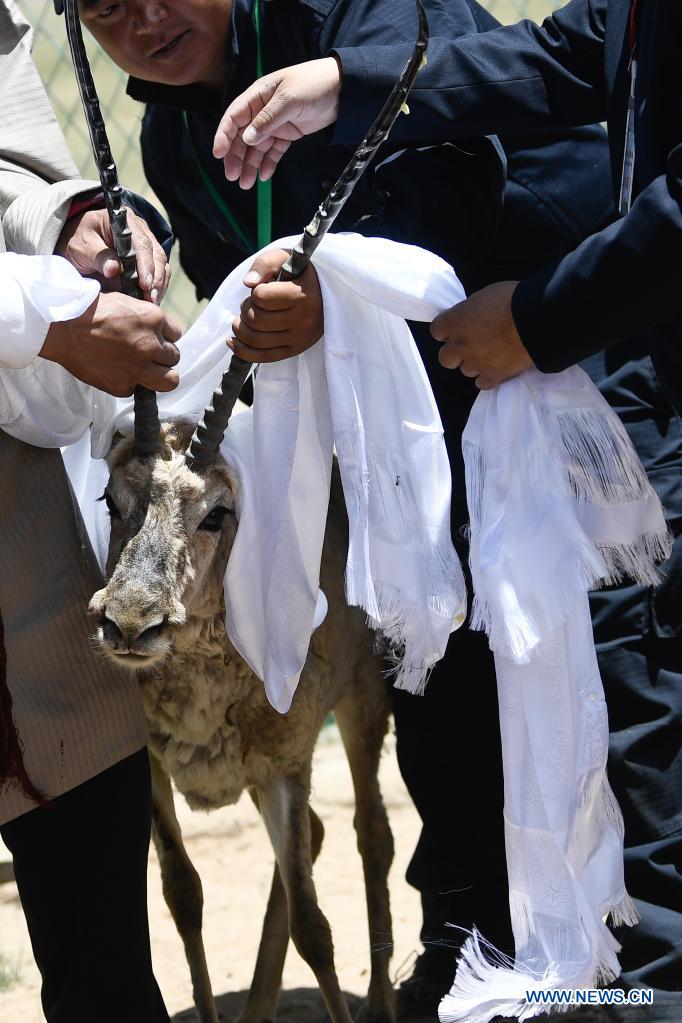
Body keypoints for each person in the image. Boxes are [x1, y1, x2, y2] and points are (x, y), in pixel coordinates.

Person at [78, 1, 680, 1020]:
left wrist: (361, 293)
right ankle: (468, 934)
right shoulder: (178, 132)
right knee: (427, 646)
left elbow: (474, 172)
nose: (140, 21)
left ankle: (639, 962)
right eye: (100, 9)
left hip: (571, 351)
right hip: (411, 431)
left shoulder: (360, 11)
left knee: (606, 652)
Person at [0, 2, 182, 1019]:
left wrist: (79, 226)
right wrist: (47, 316)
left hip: (26, 573)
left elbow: (17, 174)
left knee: (100, 960)